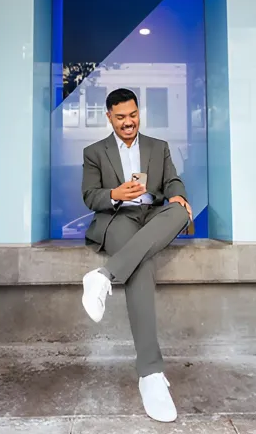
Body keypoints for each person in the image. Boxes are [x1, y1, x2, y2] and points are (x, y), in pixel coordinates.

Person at [81, 88, 192, 423]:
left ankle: (103, 276)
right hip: (117, 219)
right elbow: (89, 195)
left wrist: (177, 196)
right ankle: (151, 374)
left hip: (152, 216)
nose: (128, 123)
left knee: (180, 212)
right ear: (109, 117)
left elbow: (173, 181)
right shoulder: (94, 152)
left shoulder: (159, 147)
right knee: (140, 263)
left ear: (138, 112)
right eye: (121, 117)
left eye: (133, 115)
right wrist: (114, 194)